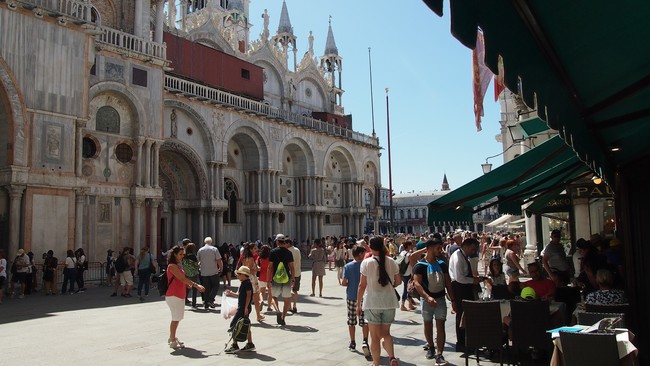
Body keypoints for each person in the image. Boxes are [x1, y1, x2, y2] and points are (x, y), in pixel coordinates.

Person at [357, 236, 402, 366]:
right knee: (386, 333)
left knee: (375, 337)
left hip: (372, 302)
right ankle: (392, 357)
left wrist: (358, 304)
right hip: (389, 302)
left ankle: (376, 363)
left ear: (370, 248)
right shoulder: (391, 261)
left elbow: (362, 285)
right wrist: (389, 287)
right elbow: (398, 281)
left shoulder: (366, 263)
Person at [412, 238, 456, 364]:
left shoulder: (442, 264)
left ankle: (439, 354)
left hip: (441, 299)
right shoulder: (420, 266)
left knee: (440, 326)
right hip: (426, 301)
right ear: (429, 248)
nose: (440, 250)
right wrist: (427, 297)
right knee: (428, 324)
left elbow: (448, 282)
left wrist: (452, 299)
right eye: (438, 248)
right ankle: (431, 347)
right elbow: (417, 284)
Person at [165, 246, 205, 349]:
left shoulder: (178, 265)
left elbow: (181, 279)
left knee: (177, 317)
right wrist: (196, 285)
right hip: (174, 294)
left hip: (179, 293)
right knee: (176, 318)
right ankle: (172, 339)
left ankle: (172, 337)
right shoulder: (172, 266)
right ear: (175, 254)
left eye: (183, 254)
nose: (182, 256)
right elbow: (182, 278)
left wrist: (187, 284)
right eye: (180, 254)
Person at [448, 237, 481, 352]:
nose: (473, 252)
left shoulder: (462, 255)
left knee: (465, 315)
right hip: (460, 288)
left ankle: (467, 341)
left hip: (463, 288)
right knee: (462, 315)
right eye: (472, 249)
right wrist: (473, 281)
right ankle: (462, 343)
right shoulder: (458, 257)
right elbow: (459, 278)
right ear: (466, 246)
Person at [342, 244, 371, 360]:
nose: (365, 255)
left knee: (351, 320)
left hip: (351, 297)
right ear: (360, 254)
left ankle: (353, 342)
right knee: (364, 321)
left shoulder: (348, 266)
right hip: (365, 297)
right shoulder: (366, 265)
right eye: (363, 253)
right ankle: (365, 341)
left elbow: (344, 282)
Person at [224, 265, 256, 353]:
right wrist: (231, 293)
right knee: (246, 324)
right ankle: (250, 343)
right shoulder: (244, 283)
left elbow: (249, 295)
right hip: (243, 308)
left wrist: (245, 307)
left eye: (239, 274)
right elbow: (240, 296)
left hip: (243, 308)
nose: (237, 276)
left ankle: (234, 345)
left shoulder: (247, 283)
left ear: (243, 275)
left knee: (234, 325)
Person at [267, 233, 294, 326]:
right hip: (286, 278)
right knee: (287, 298)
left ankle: (277, 310)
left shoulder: (273, 252)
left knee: (274, 296)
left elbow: (270, 267)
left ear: (277, 242)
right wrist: (293, 279)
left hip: (276, 278)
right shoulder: (289, 252)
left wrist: (267, 280)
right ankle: (283, 317)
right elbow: (292, 267)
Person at [239, 243, 265, 321]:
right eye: (254, 248)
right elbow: (249, 270)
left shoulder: (244, 257)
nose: (256, 250)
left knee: (247, 298)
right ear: (250, 249)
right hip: (252, 278)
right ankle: (257, 315)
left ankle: (252, 315)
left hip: (247, 278)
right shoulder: (250, 258)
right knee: (255, 298)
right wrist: (257, 269)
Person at [196, 237, 223, 310]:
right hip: (213, 271)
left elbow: (198, 261)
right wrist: (221, 267)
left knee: (206, 288)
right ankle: (211, 300)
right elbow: (219, 260)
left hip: (204, 272)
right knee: (216, 285)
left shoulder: (200, 250)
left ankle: (206, 302)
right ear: (211, 242)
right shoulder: (214, 249)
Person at [399, 240, 417, 311]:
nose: (412, 246)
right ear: (408, 246)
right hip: (408, 273)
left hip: (403, 273)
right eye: (411, 245)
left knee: (407, 288)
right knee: (407, 289)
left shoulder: (402, 253)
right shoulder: (409, 254)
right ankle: (403, 305)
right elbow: (413, 265)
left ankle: (410, 304)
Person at [181, 243, 200, 308]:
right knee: (195, 288)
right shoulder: (193, 256)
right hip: (194, 274)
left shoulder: (184, 256)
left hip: (186, 273)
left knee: (186, 287)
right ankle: (194, 303)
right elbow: (197, 266)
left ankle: (185, 299)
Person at [286, 239, 302, 314]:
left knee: (288, 290)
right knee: (295, 290)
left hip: (289, 273)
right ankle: (294, 305)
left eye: (285, 243)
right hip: (297, 272)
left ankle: (289, 306)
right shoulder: (297, 249)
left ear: (288, 243)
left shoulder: (288, 251)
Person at [257, 244, 274, 312]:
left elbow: (258, 266)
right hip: (269, 276)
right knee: (270, 293)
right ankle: (269, 307)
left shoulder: (260, 258)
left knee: (261, 292)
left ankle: (262, 300)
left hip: (261, 276)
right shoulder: (270, 258)